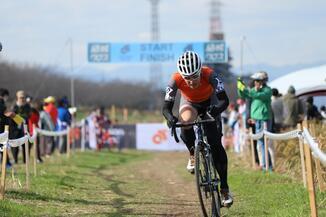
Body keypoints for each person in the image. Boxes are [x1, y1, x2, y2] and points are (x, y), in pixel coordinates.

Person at [162, 51, 232, 206]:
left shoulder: (211, 75)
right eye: (187, 78)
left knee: (215, 143)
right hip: (189, 103)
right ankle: (193, 153)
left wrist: (214, 111)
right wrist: (170, 119)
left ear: (200, 71)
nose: (191, 81)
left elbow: (224, 101)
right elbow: (166, 108)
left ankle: (225, 188)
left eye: (194, 76)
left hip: (210, 102)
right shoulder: (175, 79)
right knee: (185, 121)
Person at [237, 71, 274, 171]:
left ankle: (268, 166)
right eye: (255, 80)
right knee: (260, 143)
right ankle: (264, 165)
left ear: (262, 81)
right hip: (257, 120)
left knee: (263, 143)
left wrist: (247, 90)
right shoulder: (254, 91)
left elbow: (257, 95)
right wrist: (240, 87)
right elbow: (244, 95)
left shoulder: (267, 90)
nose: (255, 82)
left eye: (257, 80)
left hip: (264, 119)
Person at [11, 90, 31, 164]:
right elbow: (12, 117)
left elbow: (29, 115)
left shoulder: (27, 106)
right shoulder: (14, 106)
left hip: (25, 128)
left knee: (26, 145)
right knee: (14, 145)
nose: (22, 99)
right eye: (20, 98)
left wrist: (19, 117)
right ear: (17, 98)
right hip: (15, 129)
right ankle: (15, 160)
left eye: (23, 97)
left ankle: (25, 161)